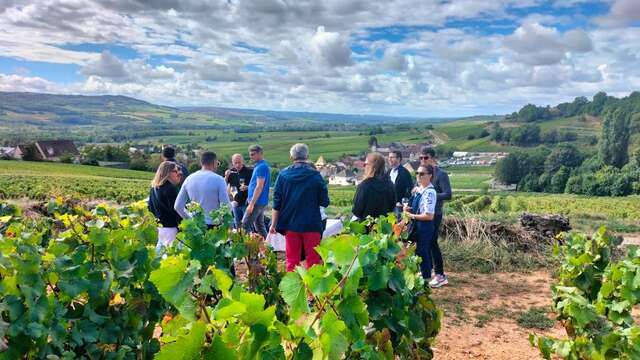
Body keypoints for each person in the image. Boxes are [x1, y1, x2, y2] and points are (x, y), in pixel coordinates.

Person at [270, 143, 329, 271]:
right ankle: (312, 291)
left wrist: (273, 224)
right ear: (307, 156)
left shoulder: (283, 175)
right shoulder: (315, 176)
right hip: (311, 223)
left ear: (291, 156)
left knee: (292, 262)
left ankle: (294, 289)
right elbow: (324, 201)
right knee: (313, 262)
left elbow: (276, 202)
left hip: (290, 224)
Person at [404, 165, 446, 286]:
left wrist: (411, 216)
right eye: (417, 173)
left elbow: (429, 216)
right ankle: (423, 274)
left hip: (425, 225)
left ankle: (426, 278)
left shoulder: (430, 193)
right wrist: (408, 208)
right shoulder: (419, 189)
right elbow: (418, 208)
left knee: (423, 251)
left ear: (430, 176)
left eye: (422, 174)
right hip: (418, 224)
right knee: (418, 251)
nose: (418, 176)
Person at [417, 146, 451, 287]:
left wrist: (430, 194)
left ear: (432, 158)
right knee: (425, 242)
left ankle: (441, 275)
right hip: (423, 213)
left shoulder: (441, 174)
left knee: (432, 243)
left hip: (435, 213)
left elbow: (448, 194)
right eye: (421, 158)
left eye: (426, 158)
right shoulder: (422, 173)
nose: (423, 160)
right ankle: (430, 270)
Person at [174, 151, 230, 228]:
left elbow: (177, 206)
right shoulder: (219, 180)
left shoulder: (189, 179)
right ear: (214, 162)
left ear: (201, 163)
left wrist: (190, 218)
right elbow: (226, 206)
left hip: (196, 225)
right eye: (217, 164)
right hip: (215, 227)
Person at [148, 161, 183, 254]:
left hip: (160, 228)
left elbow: (150, 208)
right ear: (167, 173)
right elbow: (176, 210)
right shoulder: (170, 189)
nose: (178, 173)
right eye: (175, 171)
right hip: (171, 229)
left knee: (160, 256)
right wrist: (184, 226)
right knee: (170, 257)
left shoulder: (154, 188)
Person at [352, 152, 396, 220]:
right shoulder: (390, 184)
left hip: (366, 226)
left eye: (365, 164)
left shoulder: (364, 186)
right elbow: (392, 206)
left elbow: (357, 210)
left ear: (372, 166)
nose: (364, 167)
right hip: (384, 226)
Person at [242, 144, 270, 238]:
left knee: (244, 226)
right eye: (250, 154)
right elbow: (257, 185)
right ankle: (268, 248)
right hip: (260, 201)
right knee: (260, 226)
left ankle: (245, 251)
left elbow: (259, 186)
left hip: (257, 202)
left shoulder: (261, 167)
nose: (251, 157)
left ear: (260, 153)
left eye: (253, 154)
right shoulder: (261, 165)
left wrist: (251, 204)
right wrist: (248, 187)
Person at [224, 154, 253, 229]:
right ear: (232, 163)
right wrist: (226, 177)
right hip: (235, 203)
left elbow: (256, 186)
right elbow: (223, 186)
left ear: (242, 162)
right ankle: (239, 240)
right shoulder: (231, 172)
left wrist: (247, 187)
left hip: (246, 203)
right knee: (237, 225)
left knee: (246, 226)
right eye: (235, 163)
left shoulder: (250, 171)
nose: (237, 165)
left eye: (239, 162)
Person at [386, 150, 413, 218]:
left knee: (397, 225)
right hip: (387, 204)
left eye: (392, 157)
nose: (389, 159)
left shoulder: (404, 172)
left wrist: (402, 202)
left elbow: (410, 189)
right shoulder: (388, 172)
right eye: (389, 157)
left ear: (398, 159)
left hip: (398, 206)